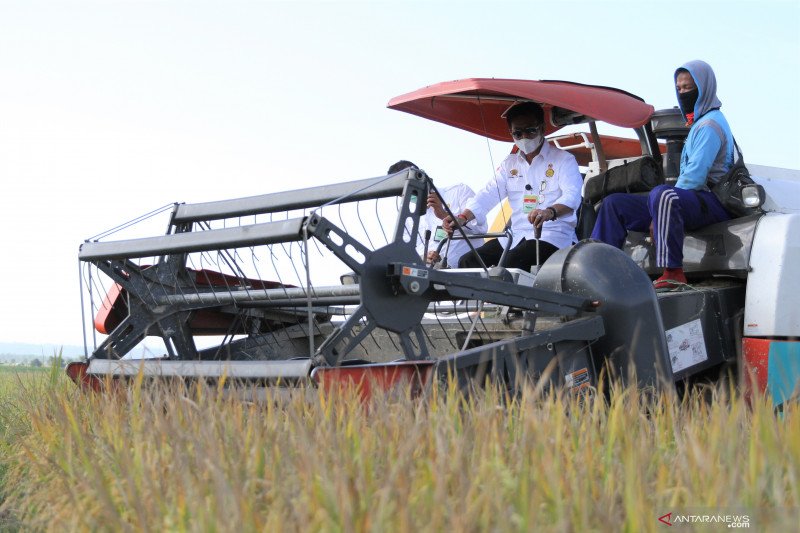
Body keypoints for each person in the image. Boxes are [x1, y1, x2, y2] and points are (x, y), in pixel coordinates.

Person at [590, 60, 732, 289]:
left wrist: (659, 213)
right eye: (680, 89)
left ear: (704, 88)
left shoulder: (710, 125)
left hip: (710, 201)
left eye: (689, 88)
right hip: (689, 199)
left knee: (663, 195)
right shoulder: (696, 124)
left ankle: (673, 271)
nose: (683, 93)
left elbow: (695, 177)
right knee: (614, 204)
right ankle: (598, 270)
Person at [443, 102, 583, 271]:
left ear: (542, 128)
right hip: (515, 237)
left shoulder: (564, 159)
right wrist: (463, 218)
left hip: (552, 236)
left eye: (530, 130)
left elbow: (572, 196)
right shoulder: (509, 164)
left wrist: (549, 212)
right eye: (518, 133)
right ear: (511, 133)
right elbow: (488, 194)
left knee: (509, 265)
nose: (524, 137)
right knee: (468, 261)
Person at [388, 160, 487, 267]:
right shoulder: (408, 218)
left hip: (467, 271)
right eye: (403, 192)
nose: (409, 193)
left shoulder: (458, 192)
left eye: (411, 187)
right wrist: (422, 257)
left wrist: (444, 214)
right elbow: (405, 251)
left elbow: (481, 229)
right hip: (429, 275)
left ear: (421, 176)